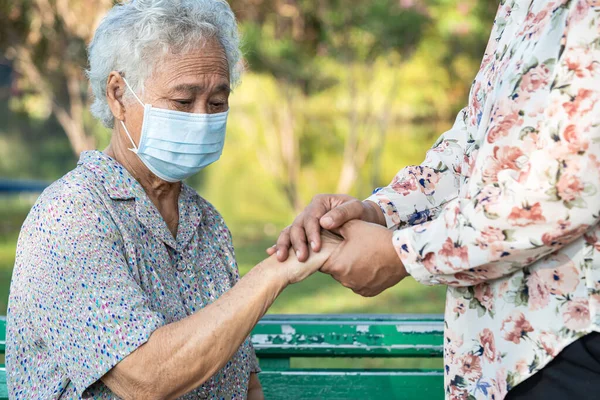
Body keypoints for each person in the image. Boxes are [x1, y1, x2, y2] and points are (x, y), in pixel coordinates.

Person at [5, 1, 341, 399]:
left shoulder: (205, 221)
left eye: (217, 102)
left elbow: (243, 380)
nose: (202, 119)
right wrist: (277, 271)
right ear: (118, 95)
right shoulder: (70, 217)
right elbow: (147, 378)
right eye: (183, 102)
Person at [271, 0, 600, 398]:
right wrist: (380, 211)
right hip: (501, 360)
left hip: (572, 344)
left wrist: (403, 254)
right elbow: (477, 143)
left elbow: (565, 187)